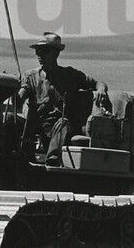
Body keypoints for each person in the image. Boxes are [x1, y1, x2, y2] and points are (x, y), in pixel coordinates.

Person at [21, 32, 100, 164]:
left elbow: (97, 83)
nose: (40, 55)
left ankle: (52, 160)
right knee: (12, 120)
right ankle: (17, 157)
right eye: (37, 51)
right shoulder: (30, 76)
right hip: (36, 126)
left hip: (58, 128)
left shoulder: (69, 75)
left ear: (56, 53)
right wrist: (17, 94)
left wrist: (101, 89)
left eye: (44, 51)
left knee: (63, 123)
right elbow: (22, 94)